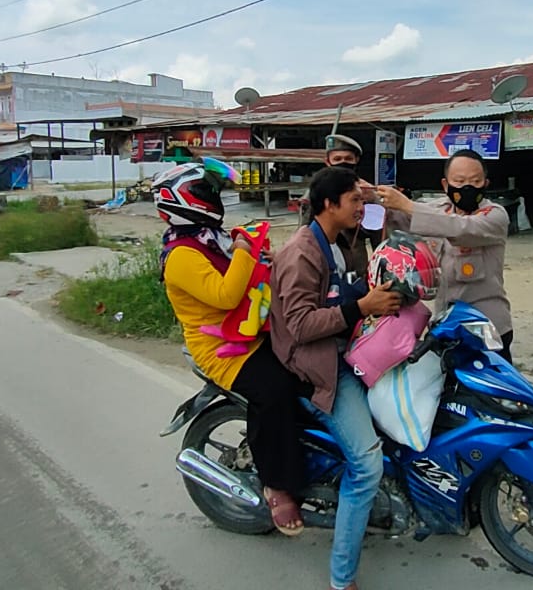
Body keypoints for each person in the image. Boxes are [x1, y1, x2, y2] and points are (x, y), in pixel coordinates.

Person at [156, 160, 308, 535]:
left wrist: (264, 259)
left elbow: (249, 276)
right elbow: (225, 295)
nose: (213, 199)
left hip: (249, 331)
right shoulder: (181, 255)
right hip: (221, 349)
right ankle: (275, 483)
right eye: (205, 193)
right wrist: (244, 247)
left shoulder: (210, 238)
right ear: (180, 200)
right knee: (274, 390)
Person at [270, 166, 402, 590]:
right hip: (318, 367)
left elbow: (356, 289)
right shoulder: (301, 252)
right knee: (366, 464)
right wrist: (361, 308)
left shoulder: (338, 243)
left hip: (344, 351)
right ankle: (341, 578)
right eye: (355, 201)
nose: (362, 208)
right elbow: (301, 325)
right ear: (329, 204)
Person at [374, 149, 515, 362]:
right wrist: (371, 197)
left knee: (486, 394)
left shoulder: (495, 215)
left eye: (475, 181)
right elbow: (404, 219)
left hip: (486, 326)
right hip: (446, 325)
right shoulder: (439, 210)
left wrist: (407, 205)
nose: (467, 187)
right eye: (459, 180)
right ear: (445, 185)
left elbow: (461, 228)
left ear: (485, 184)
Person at [298, 134, 379, 276]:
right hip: (324, 263)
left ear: (356, 160)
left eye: (348, 159)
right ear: (328, 162)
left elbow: (379, 237)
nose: (343, 163)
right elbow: (303, 232)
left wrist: (373, 201)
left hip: (356, 265)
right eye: (337, 159)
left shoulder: (366, 192)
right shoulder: (316, 191)